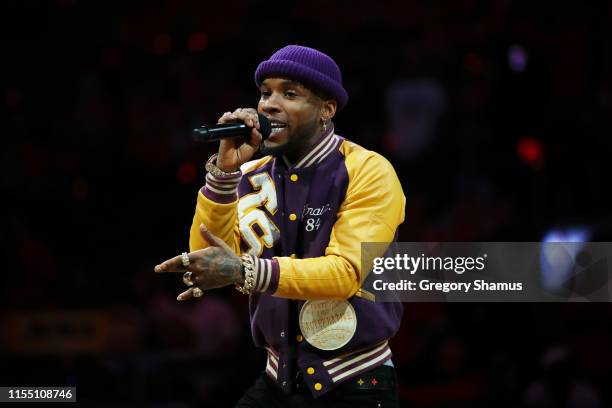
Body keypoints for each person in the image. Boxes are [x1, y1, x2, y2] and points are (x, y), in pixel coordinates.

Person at [155, 45, 406, 407]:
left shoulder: (368, 170)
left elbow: (346, 273)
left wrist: (245, 269)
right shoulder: (248, 175)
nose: (269, 105)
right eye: (265, 92)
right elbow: (207, 259)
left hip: (356, 381)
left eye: (290, 93)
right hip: (278, 378)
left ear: (326, 109)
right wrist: (223, 175)